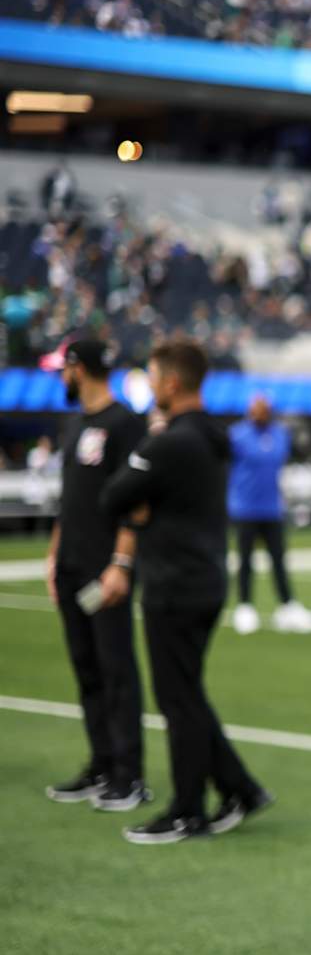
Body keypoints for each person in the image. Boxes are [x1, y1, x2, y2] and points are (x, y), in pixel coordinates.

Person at [100, 339, 274, 844]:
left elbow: (111, 498)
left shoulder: (170, 441)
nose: (150, 386)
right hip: (203, 578)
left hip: (174, 584)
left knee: (178, 700)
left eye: (153, 376)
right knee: (187, 694)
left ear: (172, 383)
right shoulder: (213, 435)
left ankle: (187, 810)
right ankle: (240, 788)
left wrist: (142, 500)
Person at [43, 338, 151, 812]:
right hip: (71, 564)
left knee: (116, 671)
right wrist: (53, 557)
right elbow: (70, 501)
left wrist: (121, 563)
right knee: (86, 670)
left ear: (78, 368)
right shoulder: (75, 424)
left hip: (104, 568)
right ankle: (101, 764)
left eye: (62, 369)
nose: (58, 378)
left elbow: (138, 502)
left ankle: (129, 775)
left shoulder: (125, 424)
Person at [228, 393, 311, 635]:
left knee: (278, 559)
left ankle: (287, 605)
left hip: (271, 507)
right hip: (244, 507)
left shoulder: (280, 434)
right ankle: (245, 606)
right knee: (245, 560)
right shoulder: (237, 435)